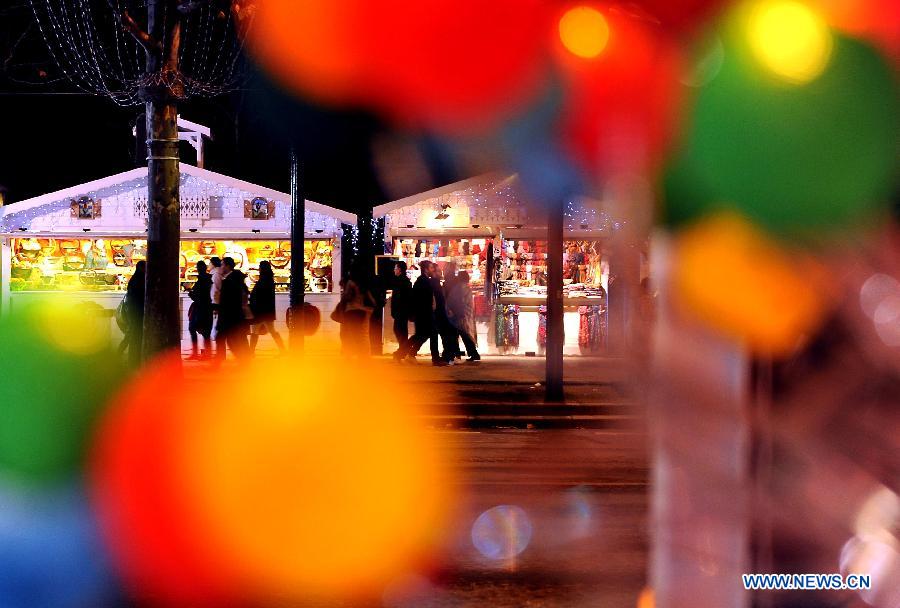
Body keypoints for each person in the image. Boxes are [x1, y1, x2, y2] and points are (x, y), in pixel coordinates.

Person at [402, 261, 443, 365]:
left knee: (422, 335)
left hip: (424, 313)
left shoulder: (423, 280)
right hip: (424, 313)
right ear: (426, 269)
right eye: (431, 268)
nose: (432, 270)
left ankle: (405, 354)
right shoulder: (422, 281)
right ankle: (435, 359)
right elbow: (419, 299)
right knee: (427, 334)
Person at [215, 256, 251, 360]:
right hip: (233, 315)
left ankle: (243, 361)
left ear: (227, 266)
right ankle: (244, 361)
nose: (220, 267)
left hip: (230, 316)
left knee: (230, 340)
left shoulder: (230, 280)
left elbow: (229, 300)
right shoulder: (235, 278)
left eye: (222, 265)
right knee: (232, 339)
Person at [249, 260, 286, 355]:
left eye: (259, 267)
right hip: (267, 310)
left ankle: (251, 352)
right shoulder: (269, 280)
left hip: (260, 310)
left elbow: (257, 295)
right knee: (272, 331)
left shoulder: (263, 280)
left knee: (255, 332)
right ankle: (283, 350)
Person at [336, 265, 374, 358]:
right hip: (361, 312)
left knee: (351, 334)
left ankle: (350, 353)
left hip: (351, 311)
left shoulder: (350, 283)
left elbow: (347, 297)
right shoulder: (363, 284)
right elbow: (372, 300)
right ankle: (362, 355)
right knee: (360, 334)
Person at [446, 271, 481, 362]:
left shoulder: (458, 288)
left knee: (459, 336)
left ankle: (457, 354)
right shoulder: (465, 288)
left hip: (459, 316)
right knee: (466, 335)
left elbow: (453, 302)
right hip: (465, 315)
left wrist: (453, 312)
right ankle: (473, 353)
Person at [187, 260, 213, 360]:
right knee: (205, 333)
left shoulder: (201, 280)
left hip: (199, 309)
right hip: (207, 308)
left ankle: (196, 353)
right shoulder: (209, 279)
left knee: (193, 329)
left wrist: (190, 292)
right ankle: (207, 354)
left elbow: (197, 296)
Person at [124, 260, 145, 367]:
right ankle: (135, 359)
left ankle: (133, 359)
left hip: (133, 312)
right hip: (138, 312)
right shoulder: (140, 280)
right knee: (136, 336)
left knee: (134, 335)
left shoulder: (134, 279)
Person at [390, 261, 412, 359]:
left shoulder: (400, 281)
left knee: (399, 330)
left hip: (400, 311)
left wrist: (395, 309)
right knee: (401, 331)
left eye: (395, 268)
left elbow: (398, 298)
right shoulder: (405, 281)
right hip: (403, 310)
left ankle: (403, 351)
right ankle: (403, 351)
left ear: (399, 269)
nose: (394, 270)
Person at [209, 256, 226, 360]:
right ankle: (220, 354)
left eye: (209, 263)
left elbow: (216, 291)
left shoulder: (216, 275)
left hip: (217, 304)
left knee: (217, 330)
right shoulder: (219, 274)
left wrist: (215, 304)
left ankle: (220, 355)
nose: (208, 265)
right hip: (218, 304)